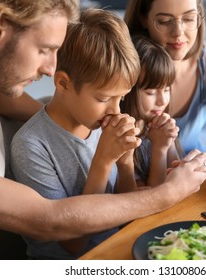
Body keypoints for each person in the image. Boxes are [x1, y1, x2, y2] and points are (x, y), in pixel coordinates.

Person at [0, 0, 206, 260]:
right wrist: (166, 194)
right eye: (44, 49)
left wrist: (79, 125)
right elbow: (50, 222)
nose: (51, 68)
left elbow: (16, 101)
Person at [10, 8, 143, 259]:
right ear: (63, 83)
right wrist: (103, 161)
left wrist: (126, 164)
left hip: (118, 249)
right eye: (104, 98)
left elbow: (125, 215)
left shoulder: (99, 123)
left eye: (121, 98)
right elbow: (73, 244)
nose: (115, 110)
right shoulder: (31, 146)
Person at [124, 0, 206, 177]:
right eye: (164, 21)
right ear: (142, 18)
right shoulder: (124, 65)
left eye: (188, 19)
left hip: (194, 173)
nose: (178, 32)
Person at [120, 35, 182, 187]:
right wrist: (159, 149)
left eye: (166, 90)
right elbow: (154, 195)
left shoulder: (155, 123)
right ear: (127, 91)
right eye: (151, 93)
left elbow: (176, 177)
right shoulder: (123, 137)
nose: (162, 101)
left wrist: (170, 141)